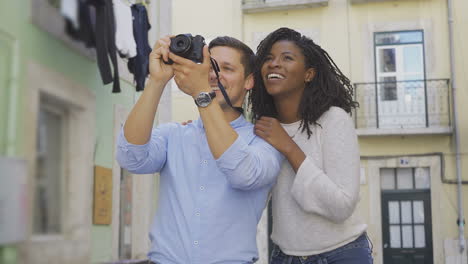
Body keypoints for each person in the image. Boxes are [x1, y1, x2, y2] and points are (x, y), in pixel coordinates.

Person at [116, 35, 283, 264]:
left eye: (227, 68)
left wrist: (202, 94)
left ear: (249, 81)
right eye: (210, 66)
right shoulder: (173, 135)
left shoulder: (266, 141)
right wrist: (157, 81)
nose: (215, 74)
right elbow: (129, 157)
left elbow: (243, 172)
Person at [249, 27, 373, 264]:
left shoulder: (334, 120)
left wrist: (288, 147)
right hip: (285, 257)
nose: (274, 64)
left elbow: (342, 206)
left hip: (341, 254)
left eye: (287, 58)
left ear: (309, 74)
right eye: (268, 58)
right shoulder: (264, 129)